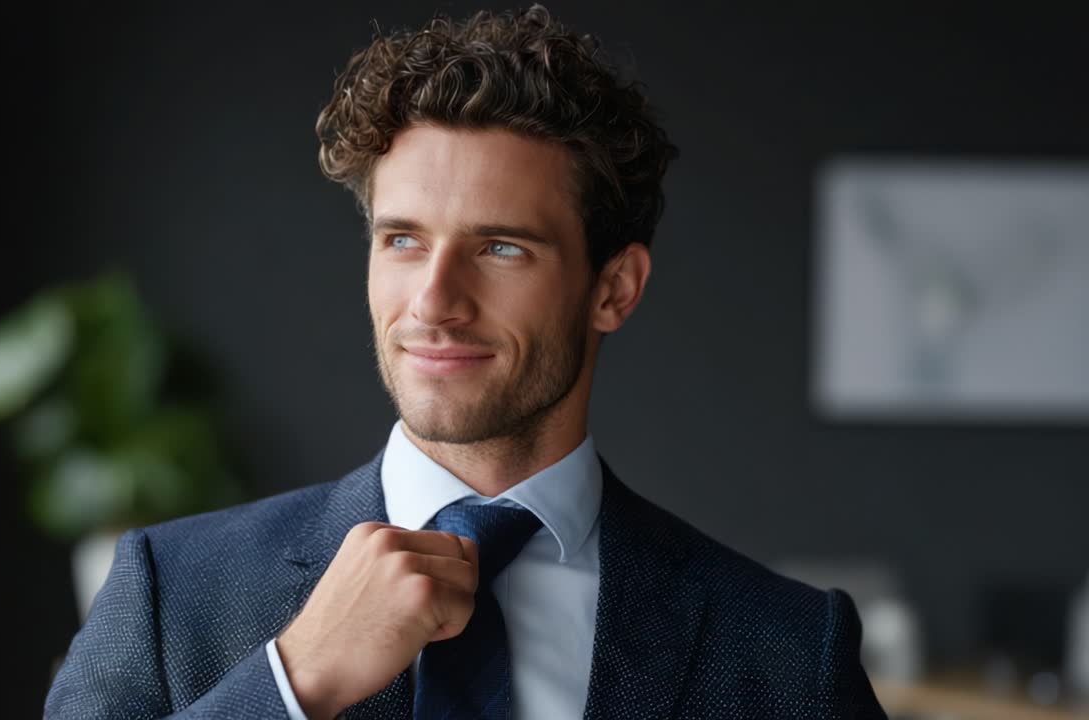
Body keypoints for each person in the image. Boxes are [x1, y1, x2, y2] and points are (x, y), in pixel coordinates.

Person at [45, 5, 886, 719]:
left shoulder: (787, 653)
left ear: (615, 288)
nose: (434, 301)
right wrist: (294, 682)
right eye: (402, 240)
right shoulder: (171, 593)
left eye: (500, 248)